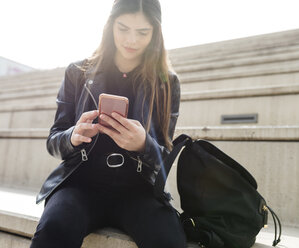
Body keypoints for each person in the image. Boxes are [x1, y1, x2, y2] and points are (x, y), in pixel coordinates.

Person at [30, 0, 186, 247]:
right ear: (110, 25)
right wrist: (72, 136)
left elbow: (164, 156)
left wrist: (143, 144)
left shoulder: (167, 83)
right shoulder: (77, 72)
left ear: (156, 33)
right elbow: (53, 141)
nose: (131, 40)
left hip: (138, 190)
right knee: (54, 230)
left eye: (142, 32)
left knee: (169, 242)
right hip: (79, 184)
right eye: (123, 28)